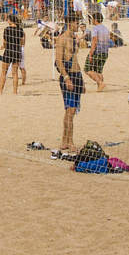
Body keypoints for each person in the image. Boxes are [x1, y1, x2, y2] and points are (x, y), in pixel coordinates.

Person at [54, 19, 84, 154]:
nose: (78, 25)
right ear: (70, 23)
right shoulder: (62, 39)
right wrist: (66, 77)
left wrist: (82, 81)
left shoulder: (74, 38)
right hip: (69, 76)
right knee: (70, 111)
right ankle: (70, 141)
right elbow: (58, 61)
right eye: (77, 23)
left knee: (70, 111)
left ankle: (65, 140)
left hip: (77, 75)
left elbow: (76, 58)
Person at [84, 12, 113, 92]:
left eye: (92, 19)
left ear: (95, 20)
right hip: (105, 52)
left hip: (97, 52)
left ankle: (100, 83)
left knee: (87, 69)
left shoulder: (95, 28)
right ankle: (100, 87)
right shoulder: (106, 28)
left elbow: (94, 41)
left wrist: (90, 54)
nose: (92, 20)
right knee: (99, 71)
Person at [0, 13, 26, 94]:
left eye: (8, 19)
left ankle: (0, 91)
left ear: (10, 20)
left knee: (3, 72)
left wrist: (3, 46)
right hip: (17, 51)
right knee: (15, 73)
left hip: (8, 51)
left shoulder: (6, 29)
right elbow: (22, 42)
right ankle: (15, 92)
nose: (7, 20)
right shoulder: (20, 30)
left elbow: (5, 42)